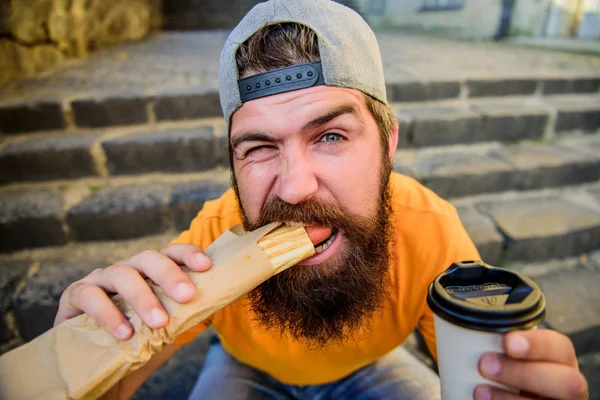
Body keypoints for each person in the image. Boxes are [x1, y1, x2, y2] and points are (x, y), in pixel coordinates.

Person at [54, 1, 589, 399]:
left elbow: (475, 371)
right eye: (259, 147)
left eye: (330, 136)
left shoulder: (431, 228)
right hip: (245, 368)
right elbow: (117, 383)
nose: (293, 187)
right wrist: (79, 360)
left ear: (388, 144)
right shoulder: (215, 231)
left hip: (373, 367)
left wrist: (510, 379)